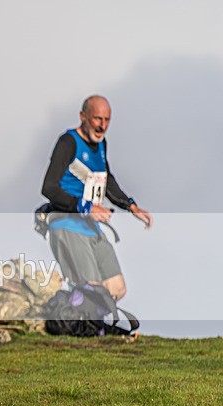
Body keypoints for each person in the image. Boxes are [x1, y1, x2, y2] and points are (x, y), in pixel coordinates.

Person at [41, 95, 153, 301]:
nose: (102, 126)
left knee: (116, 288)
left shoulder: (101, 145)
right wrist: (85, 207)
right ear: (83, 117)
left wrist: (131, 206)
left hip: (91, 227)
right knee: (92, 291)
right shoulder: (68, 142)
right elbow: (49, 187)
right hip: (67, 224)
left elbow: (106, 179)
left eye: (107, 120)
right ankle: (66, 313)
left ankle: (83, 313)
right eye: (97, 119)